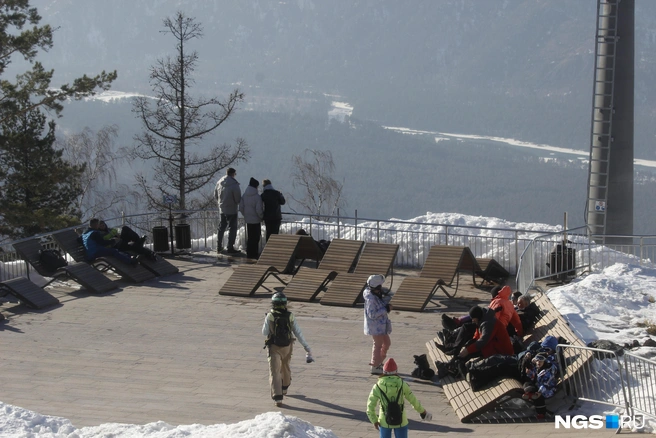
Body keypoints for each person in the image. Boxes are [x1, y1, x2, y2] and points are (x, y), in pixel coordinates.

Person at [262, 292, 313, 407]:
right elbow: (298, 333)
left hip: (274, 346)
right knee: (285, 366)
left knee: (274, 371)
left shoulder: (270, 316)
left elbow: (264, 332)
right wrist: (306, 347)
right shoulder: (290, 316)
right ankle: (285, 387)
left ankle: (278, 398)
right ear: (285, 303)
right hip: (287, 346)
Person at [366, 358, 432, 437]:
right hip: (401, 420)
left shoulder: (377, 386)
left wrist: (374, 420)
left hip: (384, 421)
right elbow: (413, 401)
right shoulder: (402, 384)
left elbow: (370, 406)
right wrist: (422, 411)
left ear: (383, 371)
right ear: (396, 371)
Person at [364, 274, 392, 374]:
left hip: (381, 325)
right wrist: (385, 309)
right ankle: (375, 365)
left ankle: (379, 361)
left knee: (387, 343)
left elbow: (379, 305)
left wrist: (386, 305)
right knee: (378, 345)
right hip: (376, 327)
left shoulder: (375, 295)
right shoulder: (370, 299)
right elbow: (372, 314)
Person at [214, 168, 241, 254]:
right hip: (232, 209)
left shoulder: (219, 182)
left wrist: (220, 203)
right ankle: (230, 247)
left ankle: (219, 246)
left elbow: (215, 195)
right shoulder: (234, 184)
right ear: (233, 174)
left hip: (222, 209)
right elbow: (238, 198)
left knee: (221, 227)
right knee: (232, 228)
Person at [239, 177, 264, 259]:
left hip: (248, 220)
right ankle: (254, 253)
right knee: (256, 237)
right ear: (256, 187)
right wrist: (261, 217)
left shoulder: (244, 195)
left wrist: (245, 215)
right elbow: (259, 210)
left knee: (250, 237)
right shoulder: (257, 197)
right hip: (256, 221)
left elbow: (241, 208)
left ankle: (249, 253)